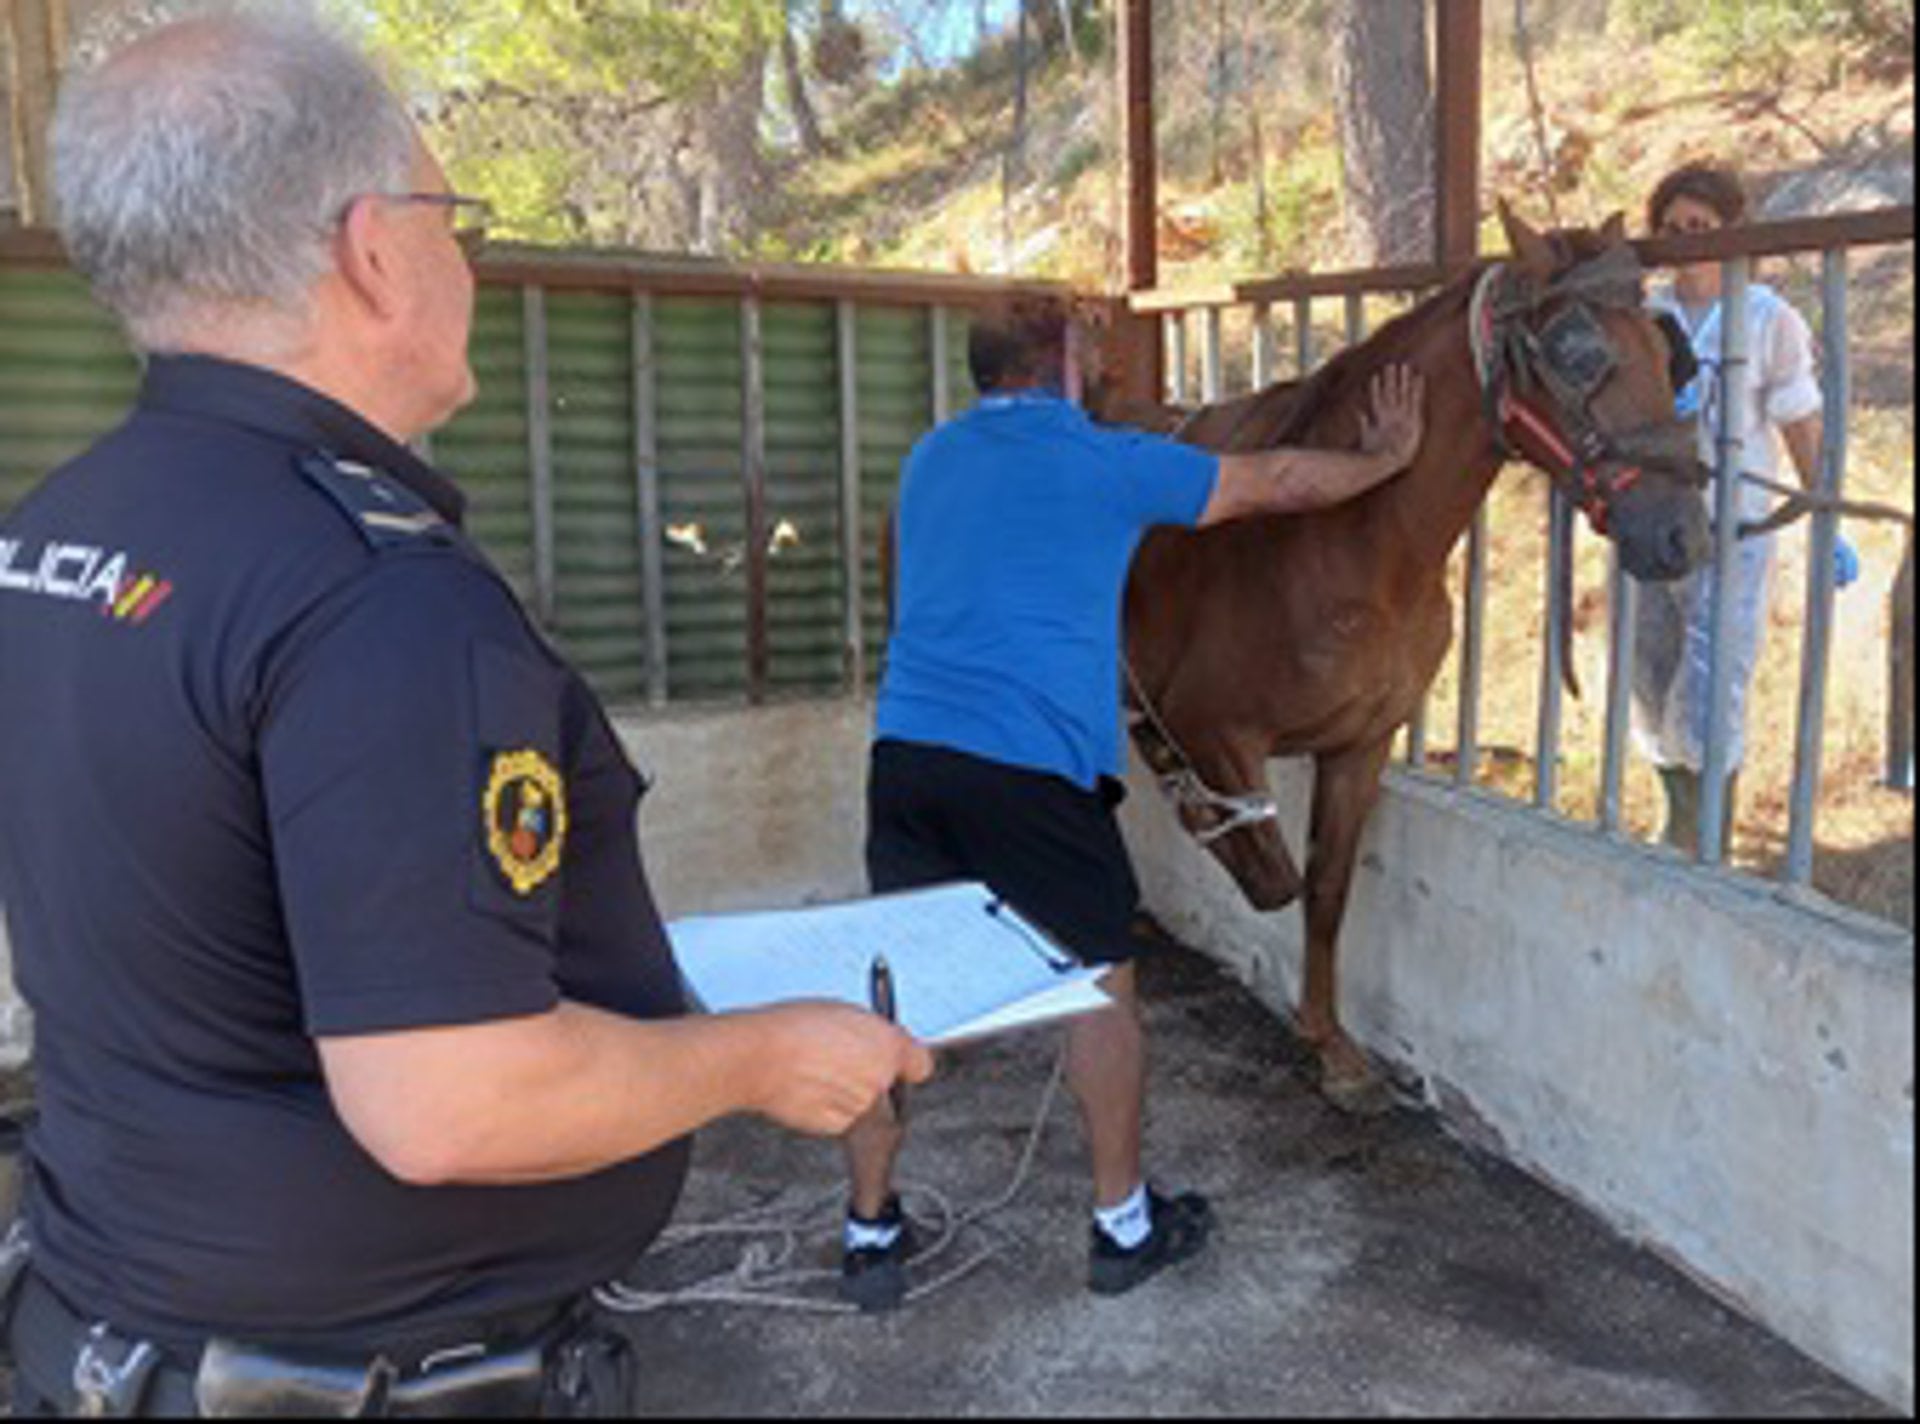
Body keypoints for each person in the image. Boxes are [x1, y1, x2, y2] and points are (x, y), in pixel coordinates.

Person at [0, 13, 930, 1417]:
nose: (469, 263)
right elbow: (456, 1103)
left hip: (106, 1325)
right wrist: (763, 1057)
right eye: (456, 220)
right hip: (347, 1371)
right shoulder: (376, 599)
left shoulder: (58, 529)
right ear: (374, 248)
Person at [836, 297, 1426, 1311]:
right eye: (1096, 347)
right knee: (1103, 991)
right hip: (1030, 773)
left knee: (899, 1000)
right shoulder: (1099, 460)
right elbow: (1275, 481)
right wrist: (1384, 459)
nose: (1108, 361)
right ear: (1061, 363)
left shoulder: (931, 457)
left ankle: (868, 1230)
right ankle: (1122, 1224)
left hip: (908, 760)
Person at [1631, 161, 1857, 856]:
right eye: (1670, 229)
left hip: (1736, 528)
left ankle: (1707, 836)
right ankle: (1672, 816)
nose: (1685, 240)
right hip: (1654, 526)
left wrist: (1826, 511)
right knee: (1649, 677)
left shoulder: (1765, 318)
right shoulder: (1647, 318)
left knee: (1710, 684)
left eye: (1700, 227)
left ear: (1733, 237)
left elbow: (1800, 420)